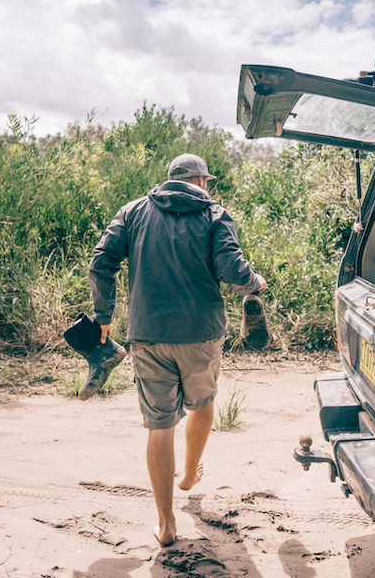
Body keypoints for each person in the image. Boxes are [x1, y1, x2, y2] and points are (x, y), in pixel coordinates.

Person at [88, 153, 266, 547]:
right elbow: (234, 272)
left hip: (147, 335)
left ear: (171, 179)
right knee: (201, 404)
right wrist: (256, 282)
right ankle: (188, 475)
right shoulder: (214, 215)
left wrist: (104, 316)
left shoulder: (132, 212)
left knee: (159, 424)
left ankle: (166, 524)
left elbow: (102, 262)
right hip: (201, 334)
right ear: (201, 181)